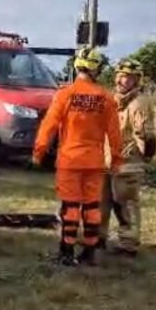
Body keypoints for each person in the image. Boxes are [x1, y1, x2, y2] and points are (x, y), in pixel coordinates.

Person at [33, 47, 123, 266]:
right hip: (94, 161)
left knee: (70, 206)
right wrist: (117, 159)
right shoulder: (106, 98)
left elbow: (49, 126)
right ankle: (90, 251)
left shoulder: (65, 94)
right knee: (92, 206)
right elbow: (115, 133)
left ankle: (66, 251)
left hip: (70, 160)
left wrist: (39, 152)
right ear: (96, 69)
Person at [99, 58, 156, 257]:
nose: (126, 81)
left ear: (137, 80)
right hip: (107, 159)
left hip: (128, 162)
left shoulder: (139, 103)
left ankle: (128, 244)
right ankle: (99, 237)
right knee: (102, 201)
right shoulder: (112, 99)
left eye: (131, 78)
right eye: (123, 76)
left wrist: (144, 158)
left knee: (125, 203)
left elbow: (147, 135)